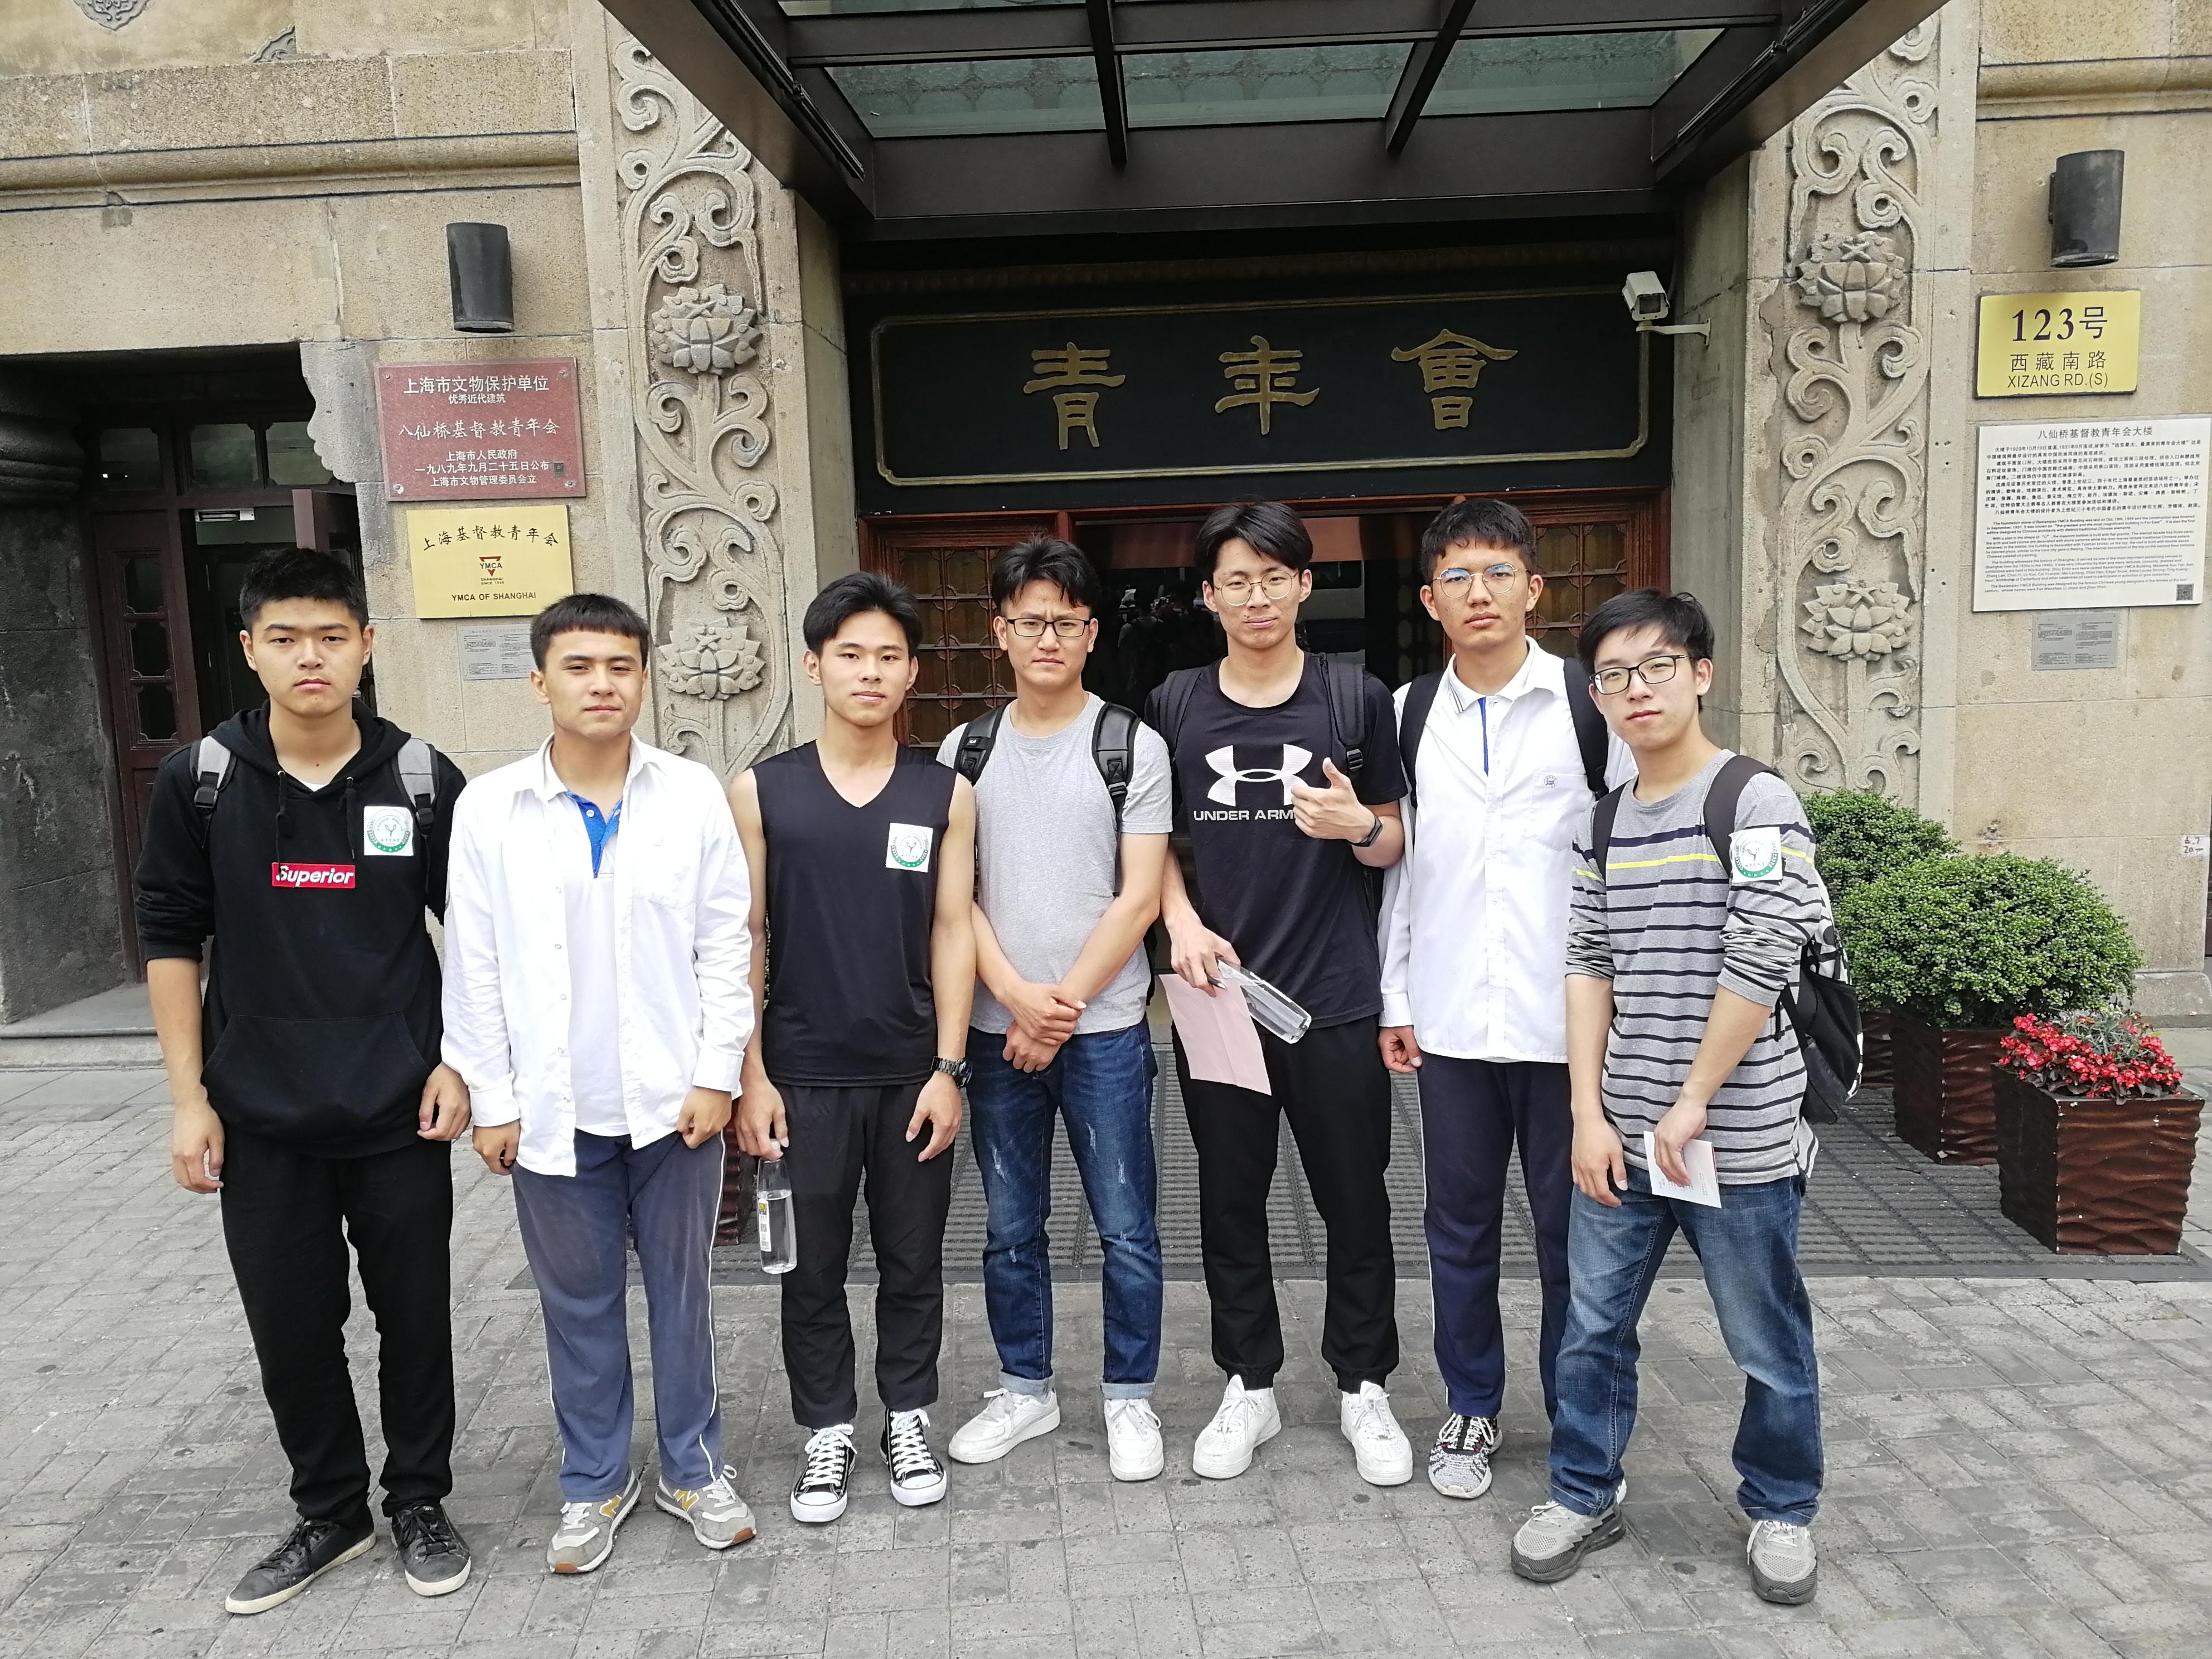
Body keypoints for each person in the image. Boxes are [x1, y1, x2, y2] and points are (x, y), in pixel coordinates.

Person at [138, 547, 474, 1615]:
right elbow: (169, 938)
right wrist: (189, 1098)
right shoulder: (202, 780)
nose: (310, 658)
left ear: (368, 645)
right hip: (260, 1113)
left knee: (414, 1317)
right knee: (292, 1327)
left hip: (399, 1107)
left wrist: (460, 1061)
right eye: (284, 639)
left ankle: (418, 1499)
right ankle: (330, 1510)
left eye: (332, 636)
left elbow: (478, 936)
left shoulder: (421, 778)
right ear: (250, 650)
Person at [1511, 588, 1832, 1606]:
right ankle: (1583, 1491)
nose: (1635, 690)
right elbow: (1587, 963)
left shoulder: (1753, 801)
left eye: (1656, 667)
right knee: (1592, 1328)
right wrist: (1587, 1113)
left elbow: (1763, 951)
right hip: (1625, 1130)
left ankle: (1782, 1506)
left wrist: (1693, 1099)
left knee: (1764, 1336)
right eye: (1613, 676)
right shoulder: (1602, 823)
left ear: (1700, 673)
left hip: (1737, 1132)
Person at [442, 593, 755, 1575]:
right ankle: (594, 1482)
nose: (602, 684)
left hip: (674, 1105)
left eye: (621, 666)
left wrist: (717, 1073)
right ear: (541, 681)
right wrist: (494, 1099)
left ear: (645, 679)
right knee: (577, 1307)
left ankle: (694, 1468)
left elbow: (725, 943)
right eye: (579, 667)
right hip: (551, 1109)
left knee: (684, 1296)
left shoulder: (690, 794)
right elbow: (473, 963)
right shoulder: (491, 808)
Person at [1146, 501, 1413, 1487]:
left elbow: (1393, 840)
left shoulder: (1354, 698)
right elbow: (1150, 842)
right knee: (1229, 1201)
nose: (1256, 597)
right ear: (1209, 596)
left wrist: (1357, 825)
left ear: (1304, 585)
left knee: (1357, 1200)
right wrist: (1179, 922)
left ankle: (1364, 1384)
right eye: (1237, 581)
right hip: (1219, 999)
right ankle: (1249, 1382)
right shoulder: (1174, 704)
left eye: (1274, 578)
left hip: (1334, 997)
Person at [1376, 498, 1632, 1501]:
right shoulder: (1408, 712)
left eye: (1496, 573)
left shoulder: (1588, 704)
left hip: (1571, 1023)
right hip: (1452, 1021)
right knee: (1458, 1228)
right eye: (1456, 576)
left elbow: (1631, 856)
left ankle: (1580, 1415)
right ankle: (1472, 1405)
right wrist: (1396, 997)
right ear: (1430, 599)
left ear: (1534, 588)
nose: (1477, 593)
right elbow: (1406, 869)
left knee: (1578, 1234)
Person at [730, 571, 977, 1524]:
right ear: (814, 666)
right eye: (850, 655)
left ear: (912, 673)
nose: (869, 672)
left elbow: (952, 929)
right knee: (809, 1267)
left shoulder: (944, 792)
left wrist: (949, 1069)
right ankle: (826, 1429)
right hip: (801, 1076)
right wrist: (751, 1075)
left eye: (888, 657)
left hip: (911, 1073)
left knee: (914, 1261)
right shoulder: (763, 792)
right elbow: (744, 939)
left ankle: (907, 1416)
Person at [937, 537, 1172, 1482]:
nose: (1048, 639)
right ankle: (1025, 1388)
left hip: (1103, 1031)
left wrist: (1058, 1008)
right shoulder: (965, 751)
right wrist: (1012, 998)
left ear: (1092, 633)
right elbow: (956, 901)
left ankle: (1130, 1395)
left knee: (1127, 1225)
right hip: (999, 1033)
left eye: (1066, 623)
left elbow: (1141, 896)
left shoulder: (1132, 744)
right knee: (1008, 1225)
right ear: (999, 632)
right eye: (1030, 621)